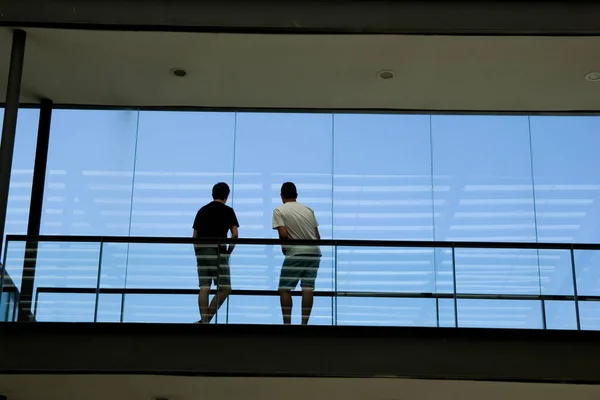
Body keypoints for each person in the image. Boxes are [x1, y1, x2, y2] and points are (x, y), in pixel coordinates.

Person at [272, 182, 321, 325]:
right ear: (296, 195)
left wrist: (284, 248)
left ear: (281, 196)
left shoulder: (279, 211)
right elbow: (317, 236)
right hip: (314, 253)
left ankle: (287, 324)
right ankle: (304, 324)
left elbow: (283, 234)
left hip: (295, 253)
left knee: (284, 289)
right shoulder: (308, 210)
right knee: (308, 288)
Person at [192, 182, 239, 324]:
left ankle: (204, 321)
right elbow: (235, 234)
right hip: (218, 251)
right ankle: (206, 320)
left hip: (201, 251)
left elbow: (194, 236)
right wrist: (229, 252)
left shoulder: (202, 210)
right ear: (226, 195)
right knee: (225, 288)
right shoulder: (228, 211)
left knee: (204, 287)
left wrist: (197, 251)